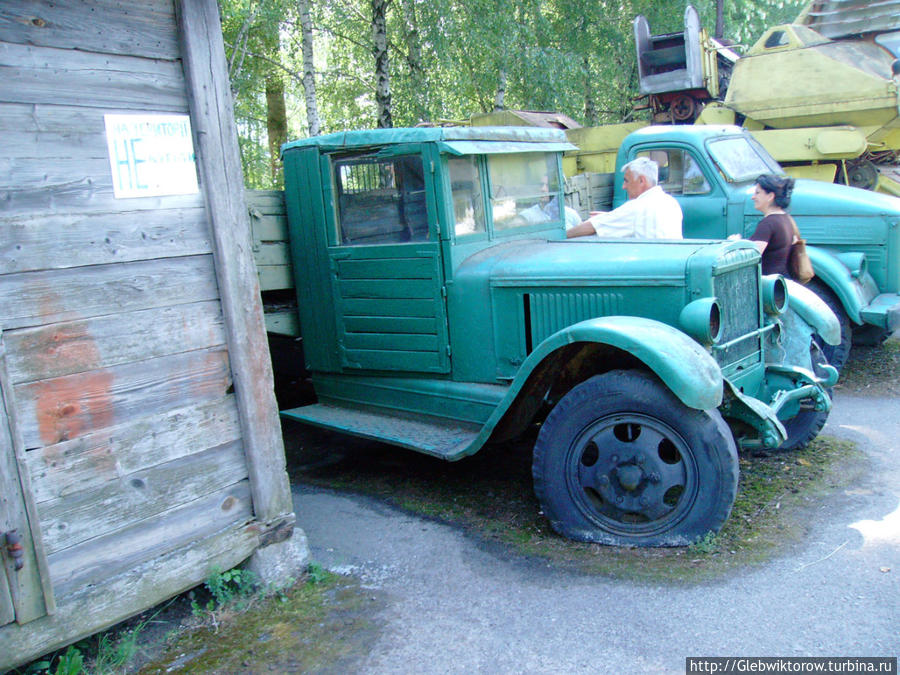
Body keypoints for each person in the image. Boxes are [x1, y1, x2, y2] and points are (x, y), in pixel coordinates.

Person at [566, 156, 683, 239]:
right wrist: (608, 217)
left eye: (627, 181)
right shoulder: (671, 203)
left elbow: (592, 227)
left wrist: (563, 236)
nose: (623, 186)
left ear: (642, 180)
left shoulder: (636, 208)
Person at [730, 174, 795, 276]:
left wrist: (735, 244)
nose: (753, 197)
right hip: (780, 283)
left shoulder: (768, 224)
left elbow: (752, 256)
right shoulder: (786, 219)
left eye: (757, 193)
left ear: (770, 196)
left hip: (767, 286)